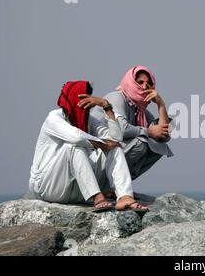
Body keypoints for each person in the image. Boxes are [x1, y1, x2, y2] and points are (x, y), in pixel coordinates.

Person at [28, 81, 148, 212]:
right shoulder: (54, 118)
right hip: (48, 187)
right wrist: (103, 144)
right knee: (74, 146)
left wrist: (106, 107)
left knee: (115, 147)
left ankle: (124, 197)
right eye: (82, 99)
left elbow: (115, 138)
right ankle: (97, 197)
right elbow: (77, 137)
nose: (86, 105)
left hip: (76, 190)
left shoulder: (88, 120)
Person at [92, 66, 173, 197]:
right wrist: (149, 132)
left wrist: (161, 104)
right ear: (130, 82)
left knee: (159, 147)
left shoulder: (140, 110)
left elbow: (163, 136)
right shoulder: (117, 98)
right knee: (141, 143)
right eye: (140, 82)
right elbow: (121, 129)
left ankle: (117, 188)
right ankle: (113, 187)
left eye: (148, 84)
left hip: (113, 154)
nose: (144, 87)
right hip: (97, 156)